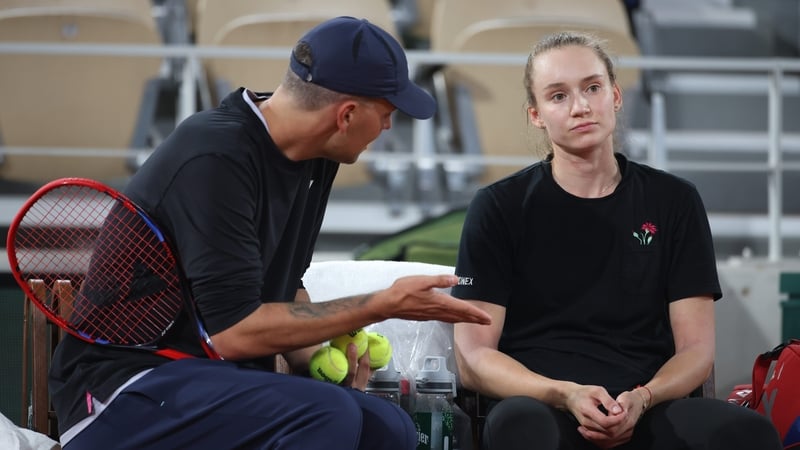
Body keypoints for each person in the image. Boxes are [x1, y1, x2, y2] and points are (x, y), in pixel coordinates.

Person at [49, 16, 491, 450]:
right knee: (330, 415)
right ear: (347, 114)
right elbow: (234, 332)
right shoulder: (213, 155)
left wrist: (316, 361)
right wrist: (379, 305)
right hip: (120, 391)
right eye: (387, 113)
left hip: (210, 382)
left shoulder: (318, 156)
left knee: (387, 425)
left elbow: (287, 286)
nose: (389, 127)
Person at [450, 31, 782, 450]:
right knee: (521, 428)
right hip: (542, 404)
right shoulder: (498, 206)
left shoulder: (674, 200)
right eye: (558, 96)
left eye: (592, 87)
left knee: (750, 434)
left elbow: (696, 349)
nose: (581, 106)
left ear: (616, 95)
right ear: (536, 115)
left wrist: (644, 398)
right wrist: (564, 394)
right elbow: (474, 358)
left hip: (649, 405)